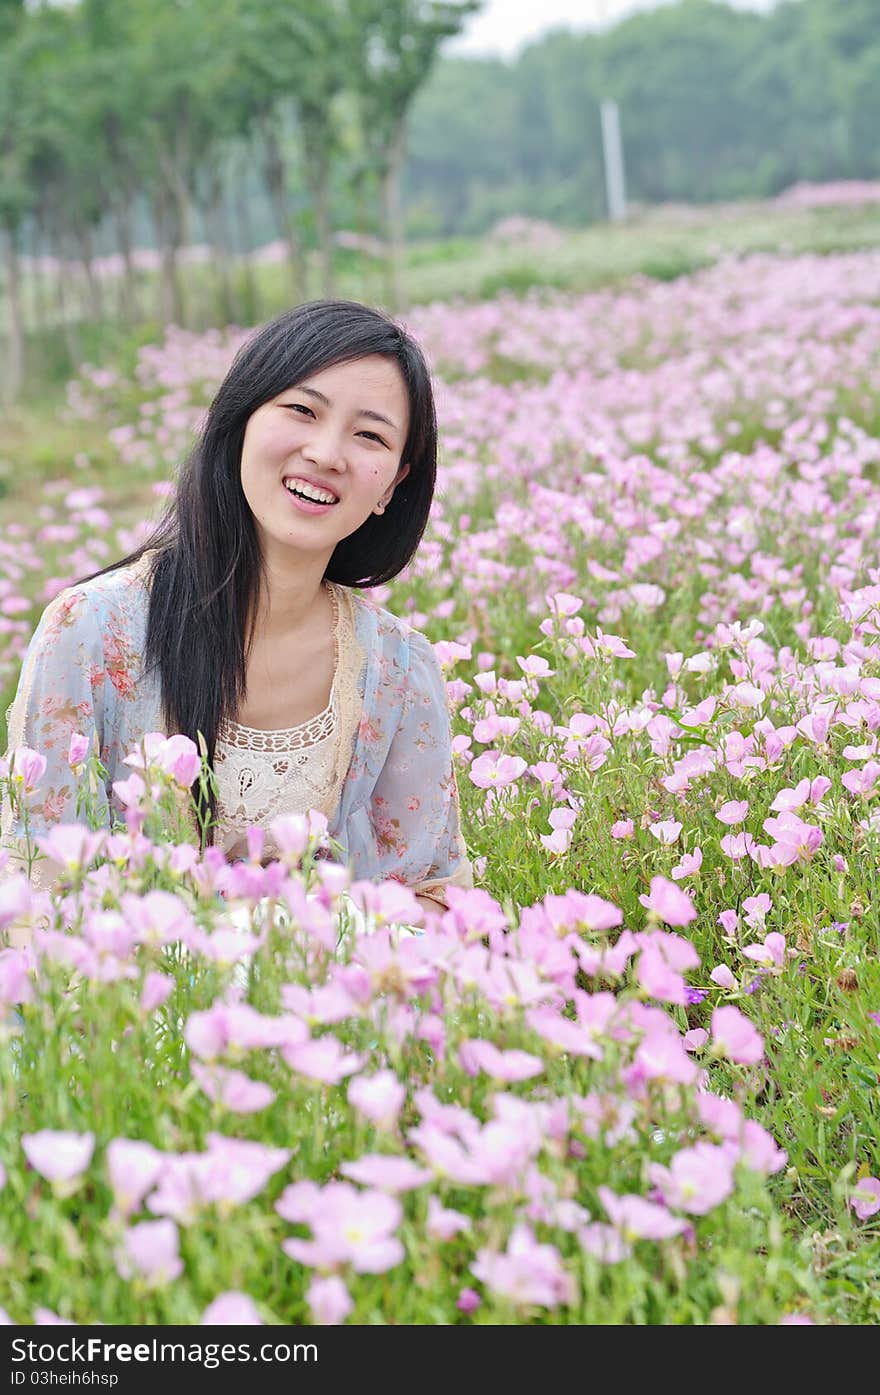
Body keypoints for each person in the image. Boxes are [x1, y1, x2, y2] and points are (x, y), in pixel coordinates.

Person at [0, 299, 472, 926]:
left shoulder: (398, 674)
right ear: (241, 419)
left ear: (392, 484)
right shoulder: (90, 632)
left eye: (370, 436)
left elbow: (432, 900)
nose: (327, 453)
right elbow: (36, 894)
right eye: (302, 410)